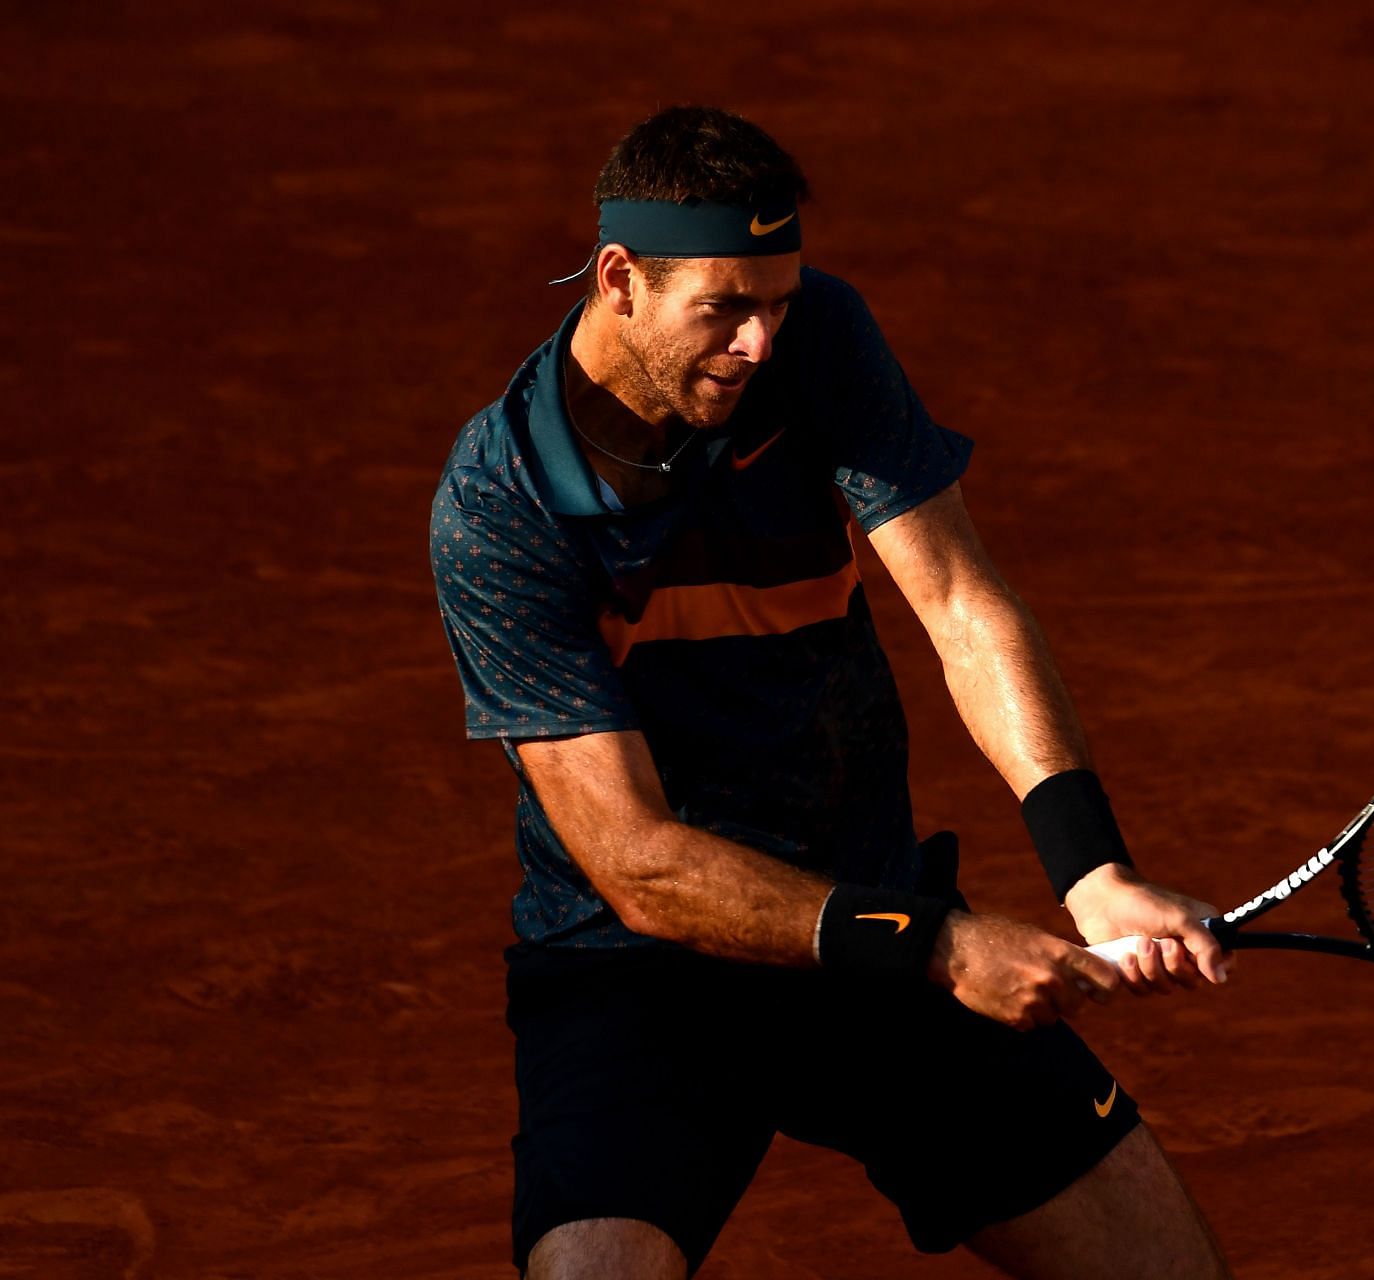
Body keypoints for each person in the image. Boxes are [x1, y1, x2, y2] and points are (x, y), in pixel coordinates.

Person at [430, 104, 1234, 1280]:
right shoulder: (498, 508)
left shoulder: (816, 346)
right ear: (620, 279)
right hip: (645, 979)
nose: (762, 342)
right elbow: (637, 860)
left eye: (780, 299)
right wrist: (940, 946)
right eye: (725, 306)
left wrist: (1090, 867)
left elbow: (961, 603)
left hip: (876, 924)